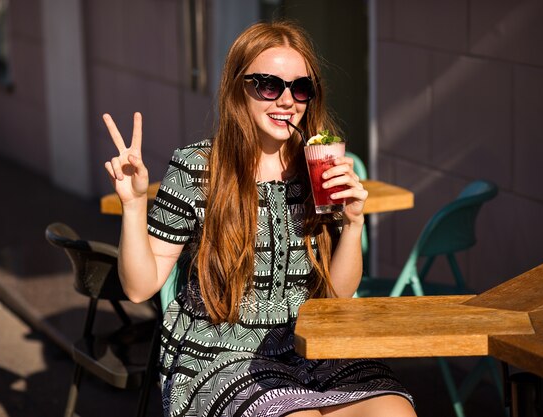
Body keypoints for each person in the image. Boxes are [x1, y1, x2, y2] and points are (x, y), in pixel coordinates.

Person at [103, 20, 416, 417]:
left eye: (301, 88)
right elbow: (138, 287)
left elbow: (336, 298)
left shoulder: (318, 168)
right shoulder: (198, 168)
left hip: (312, 345)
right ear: (239, 89)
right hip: (221, 354)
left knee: (394, 411)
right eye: (270, 85)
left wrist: (353, 223)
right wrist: (132, 206)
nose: (287, 101)